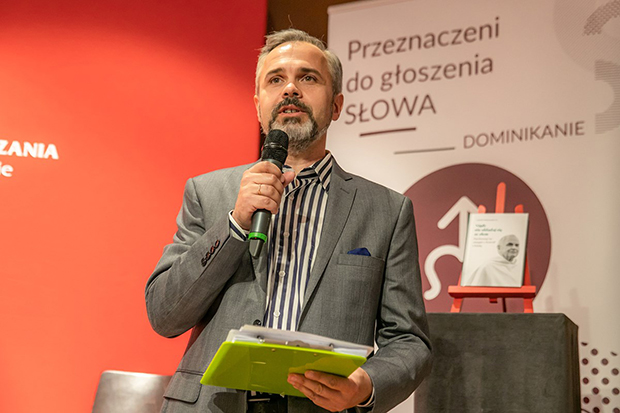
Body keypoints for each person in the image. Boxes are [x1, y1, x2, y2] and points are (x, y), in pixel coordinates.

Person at [145, 28, 432, 413]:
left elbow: (410, 341)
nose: (291, 89)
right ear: (258, 105)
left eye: (308, 78)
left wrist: (365, 385)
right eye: (275, 79)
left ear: (336, 105)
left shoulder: (387, 211)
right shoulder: (207, 192)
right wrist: (235, 223)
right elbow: (165, 314)